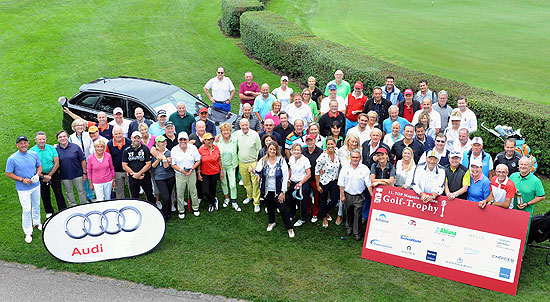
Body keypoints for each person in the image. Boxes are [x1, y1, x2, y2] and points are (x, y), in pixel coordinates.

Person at [6, 135, 43, 243]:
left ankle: (37, 222)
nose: (23, 145)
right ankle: (28, 232)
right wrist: (22, 179)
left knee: (36, 205)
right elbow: (8, 173)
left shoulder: (33, 154)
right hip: (23, 189)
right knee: (26, 210)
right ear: (17, 145)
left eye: (25, 143)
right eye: (21, 143)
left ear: (28, 143)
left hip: (35, 186)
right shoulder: (12, 158)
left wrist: (37, 175)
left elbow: (39, 166)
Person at [255, 141, 295, 238]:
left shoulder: (281, 160)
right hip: (267, 189)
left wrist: (283, 192)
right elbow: (257, 171)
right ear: (267, 149)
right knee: (269, 206)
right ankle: (271, 222)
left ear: (277, 150)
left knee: (282, 208)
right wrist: (254, 172)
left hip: (278, 190)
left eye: (274, 149)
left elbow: (285, 177)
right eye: (270, 149)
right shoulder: (263, 160)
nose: (272, 151)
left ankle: (289, 228)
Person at [509, 157, 546, 253]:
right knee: (509, 230)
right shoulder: (513, 176)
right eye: (521, 164)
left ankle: (520, 255)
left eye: (526, 164)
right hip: (511, 209)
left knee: (522, 234)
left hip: (525, 212)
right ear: (518, 165)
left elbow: (541, 196)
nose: (523, 166)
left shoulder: (535, 181)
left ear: (530, 167)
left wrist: (527, 204)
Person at [31, 131, 66, 217]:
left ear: (46, 139)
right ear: (36, 140)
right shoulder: (32, 152)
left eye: (43, 139)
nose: (42, 141)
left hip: (53, 173)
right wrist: (42, 176)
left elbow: (57, 163)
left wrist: (49, 175)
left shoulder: (51, 148)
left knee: (58, 192)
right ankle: (49, 211)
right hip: (40, 175)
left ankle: (63, 209)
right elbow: (32, 167)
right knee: (44, 193)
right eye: (39, 139)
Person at [338, 150, 372, 241]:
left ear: (360, 158)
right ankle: (349, 227)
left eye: (357, 157)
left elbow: (368, 183)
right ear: (350, 157)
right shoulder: (345, 168)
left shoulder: (364, 168)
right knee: (348, 212)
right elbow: (341, 183)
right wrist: (342, 195)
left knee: (357, 214)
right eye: (353, 157)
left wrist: (372, 195)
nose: (355, 159)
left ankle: (357, 232)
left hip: (359, 195)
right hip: (347, 194)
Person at [171, 131, 201, 219]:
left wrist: (192, 169)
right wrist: (182, 170)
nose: (183, 141)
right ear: (178, 140)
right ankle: (181, 210)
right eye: (181, 139)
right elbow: (173, 164)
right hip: (180, 174)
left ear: (188, 140)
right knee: (180, 192)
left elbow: (198, 160)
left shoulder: (193, 148)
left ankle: (195, 208)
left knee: (193, 191)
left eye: (185, 139)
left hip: (191, 173)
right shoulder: (174, 149)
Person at [235, 118, 262, 212]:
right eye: (243, 125)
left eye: (246, 125)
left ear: (249, 124)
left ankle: (256, 202)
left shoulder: (255, 134)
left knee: (255, 183)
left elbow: (259, 148)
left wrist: (257, 162)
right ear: (240, 126)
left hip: (253, 163)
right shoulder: (236, 134)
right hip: (242, 163)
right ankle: (249, 196)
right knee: (246, 182)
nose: (245, 127)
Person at [122, 131, 155, 203]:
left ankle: (153, 208)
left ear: (141, 139)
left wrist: (139, 173)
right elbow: (124, 165)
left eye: (138, 138)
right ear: (131, 138)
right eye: (134, 138)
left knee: (149, 194)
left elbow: (148, 164)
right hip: (132, 177)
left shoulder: (145, 149)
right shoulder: (126, 150)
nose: (136, 139)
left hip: (144, 176)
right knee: (134, 196)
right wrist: (133, 174)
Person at [56, 130, 87, 206]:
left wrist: (84, 173)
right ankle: (72, 206)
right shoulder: (56, 150)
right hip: (65, 176)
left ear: (67, 137)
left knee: (81, 191)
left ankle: (84, 205)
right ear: (57, 139)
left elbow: (83, 160)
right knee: (69, 192)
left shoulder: (75, 147)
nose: (63, 138)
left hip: (78, 174)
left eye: (64, 136)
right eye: (60, 137)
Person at [315, 137, 340, 228]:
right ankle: (324, 217)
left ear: (335, 144)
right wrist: (318, 185)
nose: (330, 146)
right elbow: (317, 171)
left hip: (334, 180)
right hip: (324, 181)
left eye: (332, 144)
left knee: (333, 200)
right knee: (323, 200)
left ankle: (324, 211)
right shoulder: (322, 157)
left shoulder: (337, 152)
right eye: (328, 144)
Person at [216, 122, 241, 212]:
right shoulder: (218, 140)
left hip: (231, 165)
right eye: (224, 130)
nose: (226, 132)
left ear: (230, 131)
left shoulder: (235, 139)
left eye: (227, 130)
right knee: (224, 182)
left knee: (233, 184)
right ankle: (227, 198)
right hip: (221, 166)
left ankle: (234, 200)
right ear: (221, 132)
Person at [287, 143, 312, 227]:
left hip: (302, 183)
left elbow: (308, 174)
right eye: (294, 150)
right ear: (292, 151)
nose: (296, 151)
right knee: (292, 200)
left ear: (301, 151)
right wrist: (288, 179)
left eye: (298, 150)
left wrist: (300, 183)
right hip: (293, 182)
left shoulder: (305, 160)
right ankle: (292, 214)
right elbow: (290, 169)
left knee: (302, 202)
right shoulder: (291, 158)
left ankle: (302, 218)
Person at [151, 135, 175, 220]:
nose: (164, 142)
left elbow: (167, 167)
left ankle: (168, 213)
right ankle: (163, 214)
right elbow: (153, 166)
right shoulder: (154, 152)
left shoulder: (168, 152)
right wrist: (158, 159)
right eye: (162, 141)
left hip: (170, 176)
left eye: (165, 141)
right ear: (157, 143)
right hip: (159, 178)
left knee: (168, 195)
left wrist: (165, 160)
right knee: (166, 197)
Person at [367, 148, 395, 218]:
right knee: (374, 209)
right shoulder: (374, 165)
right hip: (376, 191)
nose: (380, 157)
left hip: (387, 192)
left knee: (385, 209)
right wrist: (385, 181)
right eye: (378, 155)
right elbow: (372, 180)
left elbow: (391, 182)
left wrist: (378, 182)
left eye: (382, 155)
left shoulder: (391, 167)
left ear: (386, 156)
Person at [198, 133, 222, 213]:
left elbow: (219, 160)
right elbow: (199, 162)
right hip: (205, 173)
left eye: (211, 139)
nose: (210, 141)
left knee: (212, 189)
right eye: (208, 139)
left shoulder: (216, 148)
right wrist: (199, 173)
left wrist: (221, 171)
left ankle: (211, 203)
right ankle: (214, 200)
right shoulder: (201, 150)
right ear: (204, 141)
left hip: (215, 172)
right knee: (205, 191)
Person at [106, 126, 131, 199]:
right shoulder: (109, 144)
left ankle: (133, 201)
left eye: (119, 133)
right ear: (113, 134)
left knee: (132, 188)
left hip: (129, 170)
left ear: (123, 133)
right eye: (116, 134)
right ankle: (120, 203)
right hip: (116, 171)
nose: (118, 135)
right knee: (119, 190)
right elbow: (108, 158)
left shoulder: (129, 142)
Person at [303, 134, 323, 223]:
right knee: (306, 194)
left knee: (317, 195)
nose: (309, 142)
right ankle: (307, 210)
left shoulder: (320, 151)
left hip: (316, 177)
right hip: (306, 177)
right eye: (308, 141)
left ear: (315, 141)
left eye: (311, 140)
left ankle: (315, 213)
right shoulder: (303, 151)